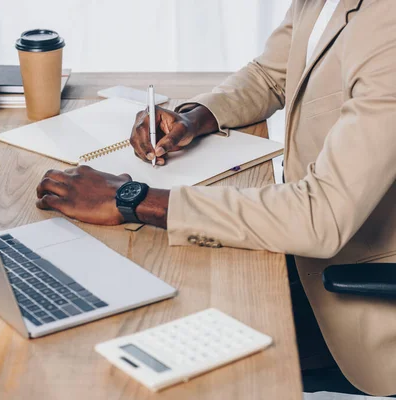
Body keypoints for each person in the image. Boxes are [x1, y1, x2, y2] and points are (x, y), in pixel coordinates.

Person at [35, 0, 396, 396]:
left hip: (355, 284)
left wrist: (134, 197)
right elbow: (274, 73)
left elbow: (319, 216)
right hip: (308, 249)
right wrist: (197, 117)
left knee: (148, 340)